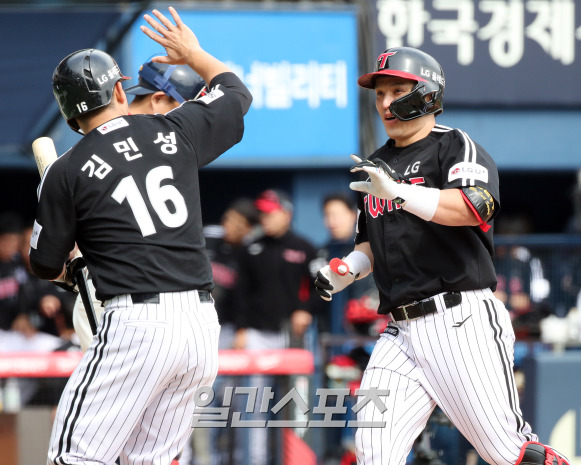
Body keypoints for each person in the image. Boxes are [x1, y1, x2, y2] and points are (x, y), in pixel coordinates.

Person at [314, 47, 569, 465]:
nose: (384, 102)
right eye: (379, 93)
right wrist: (346, 269)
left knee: (507, 452)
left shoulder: (453, 146)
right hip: (400, 331)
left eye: (397, 89)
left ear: (427, 93)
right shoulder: (378, 163)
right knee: (374, 453)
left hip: (459, 319)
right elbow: (370, 243)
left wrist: (398, 191)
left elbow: (473, 207)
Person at [28, 7, 252, 465]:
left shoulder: (66, 171)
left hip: (137, 325)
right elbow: (236, 92)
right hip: (200, 327)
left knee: (73, 456)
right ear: (117, 90)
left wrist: (74, 260)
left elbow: (45, 264)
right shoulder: (174, 128)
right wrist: (193, 54)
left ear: (69, 114)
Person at [70, 59, 209, 353]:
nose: (189, 116)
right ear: (158, 99)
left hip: (164, 301)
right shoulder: (90, 150)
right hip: (112, 295)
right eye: (185, 105)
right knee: (110, 400)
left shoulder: (83, 152)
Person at [233, 188, 319, 465]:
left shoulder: (305, 246)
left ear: (286, 213)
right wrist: (242, 329)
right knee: (254, 406)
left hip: (291, 337)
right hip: (257, 334)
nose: (264, 218)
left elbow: (323, 286)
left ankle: (295, 460)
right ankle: (254, 461)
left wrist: (305, 311)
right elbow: (240, 293)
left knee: (296, 404)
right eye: (262, 213)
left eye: (270, 212)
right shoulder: (251, 248)